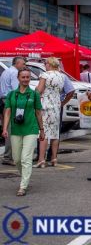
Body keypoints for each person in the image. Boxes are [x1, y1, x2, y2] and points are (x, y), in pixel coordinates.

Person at [2, 68, 44, 196]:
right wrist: (5, 128)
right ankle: (25, 176)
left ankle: (23, 186)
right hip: (16, 129)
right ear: (18, 78)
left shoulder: (34, 94)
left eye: (28, 77)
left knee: (26, 158)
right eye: (23, 77)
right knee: (17, 159)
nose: (26, 79)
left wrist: (42, 130)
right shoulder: (11, 94)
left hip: (31, 129)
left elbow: (38, 113)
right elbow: (7, 112)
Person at [35, 57, 65, 168]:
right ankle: (54, 158)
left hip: (45, 106)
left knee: (43, 133)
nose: (45, 65)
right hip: (56, 106)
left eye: (45, 63)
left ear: (49, 64)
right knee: (55, 133)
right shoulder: (61, 76)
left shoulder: (45, 75)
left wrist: (35, 90)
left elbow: (39, 90)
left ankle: (41, 159)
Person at [0, 56, 26, 165]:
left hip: (4, 100)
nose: (24, 66)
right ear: (17, 63)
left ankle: (9, 155)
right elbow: (17, 90)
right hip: (11, 101)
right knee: (12, 129)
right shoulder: (15, 73)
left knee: (7, 128)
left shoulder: (6, 71)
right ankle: (8, 156)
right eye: (23, 64)